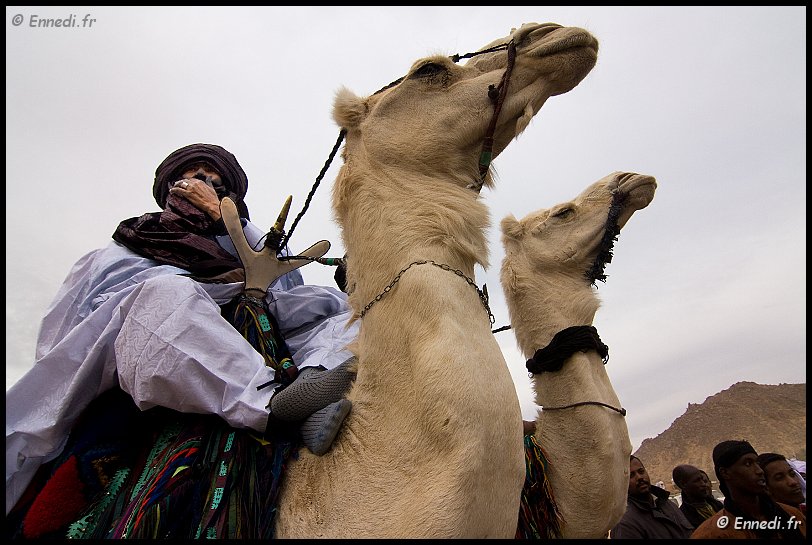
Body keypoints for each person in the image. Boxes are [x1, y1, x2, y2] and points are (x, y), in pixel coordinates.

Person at [6, 143, 359, 517]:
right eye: (198, 176)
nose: (207, 185)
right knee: (168, 293)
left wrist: (227, 223)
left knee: (335, 306)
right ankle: (270, 405)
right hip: (148, 334)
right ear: (173, 184)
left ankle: (314, 383)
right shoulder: (115, 252)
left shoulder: (239, 241)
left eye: (218, 185)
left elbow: (281, 286)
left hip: (243, 321)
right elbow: (65, 333)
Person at [691, 440, 806, 539]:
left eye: (757, 463)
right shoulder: (712, 533)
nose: (759, 471)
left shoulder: (792, 515)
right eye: (748, 463)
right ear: (725, 473)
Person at [610, 455, 694, 539]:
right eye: (631, 475)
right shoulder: (625, 524)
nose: (639, 477)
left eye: (641, 471)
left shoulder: (667, 503)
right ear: (621, 482)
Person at [672, 464, 724, 529]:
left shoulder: (717, 504)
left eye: (703, 480)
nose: (703, 484)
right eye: (697, 481)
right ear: (683, 484)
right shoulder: (683, 518)